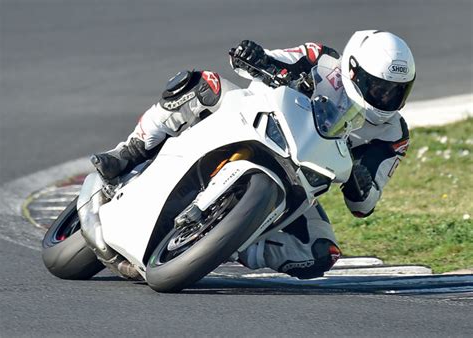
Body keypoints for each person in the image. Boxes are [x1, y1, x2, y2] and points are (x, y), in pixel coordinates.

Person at [91, 30, 415, 279]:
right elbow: (257, 62)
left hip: (300, 178)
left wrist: (358, 174)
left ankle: (230, 245)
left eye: (396, 90)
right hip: (257, 122)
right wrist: (257, 57)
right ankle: (130, 151)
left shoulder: (393, 135)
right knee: (203, 84)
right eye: (378, 86)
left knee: (320, 254)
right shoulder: (318, 60)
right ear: (353, 69)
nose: (386, 96)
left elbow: (365, 204)